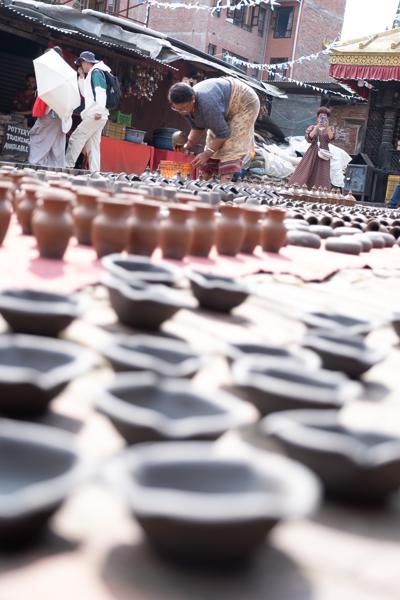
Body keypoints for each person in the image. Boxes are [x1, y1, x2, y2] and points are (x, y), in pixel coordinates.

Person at [168, 77, 260, 182]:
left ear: (193, 98)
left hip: (244, 102)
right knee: (211, 142)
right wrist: (187, 145)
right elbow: (198, 127)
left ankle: (224, 185)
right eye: (178, 109)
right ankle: (205, 181)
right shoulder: (185, 106)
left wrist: (206, 154)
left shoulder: (207, 105)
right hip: (222, 105)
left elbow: (223, 134)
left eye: (184, 108)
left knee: (231, 146)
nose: (182, 112)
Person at [65, 51, 110, 172]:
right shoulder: (93, 73)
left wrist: (99, 111)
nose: (80, 66)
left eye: (81, 63)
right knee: (93, 146)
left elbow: (101, 91)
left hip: (95, 114)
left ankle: (67, 166)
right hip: (99, 114)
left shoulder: (96, 72)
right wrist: (81, 77)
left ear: (85, 62)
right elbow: (86, 93)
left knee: (76, 138)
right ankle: (95, 172)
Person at [29, 47, 72, 168]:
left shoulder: (53, 70)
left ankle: (35, 165)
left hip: (51, 112)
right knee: (56, 144)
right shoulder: (65, 71)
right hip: (60, 114)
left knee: (39, 138)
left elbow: (52, 92)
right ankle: (55, 169)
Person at [288, 106, 336, 190]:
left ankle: (320, 190)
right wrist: (317, 127)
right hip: (312, 151)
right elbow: (309, 137)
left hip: (324, 152)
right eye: (320, 116)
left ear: (328, 118)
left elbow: (331, 137)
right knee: (306, 169)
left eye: (324, 116)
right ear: (317, 117)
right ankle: (297, 187)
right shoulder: (312, 127)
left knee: (322, 172)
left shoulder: (330, 128)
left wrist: (327, 127)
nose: (322, 118)